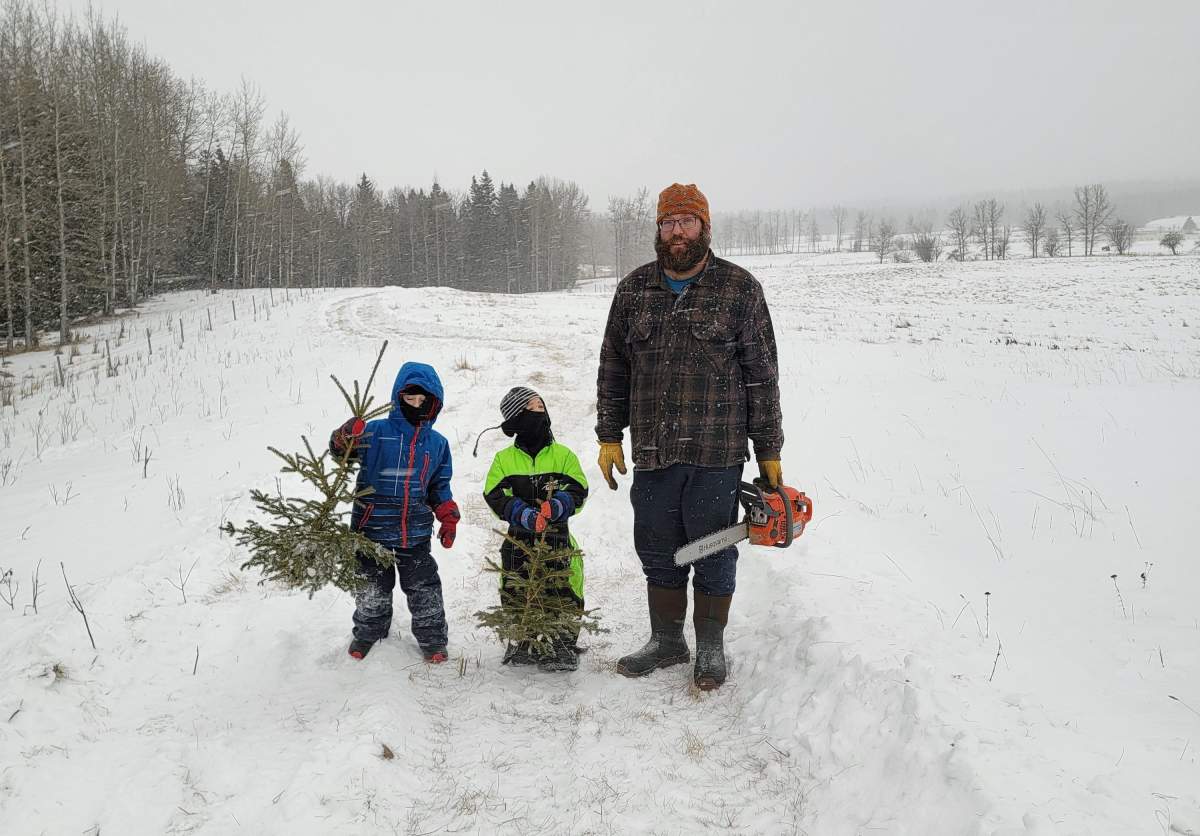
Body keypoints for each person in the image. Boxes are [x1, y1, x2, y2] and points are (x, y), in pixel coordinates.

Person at [595, 182, 784, 690]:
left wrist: (768, 450)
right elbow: (613, 365)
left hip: (716, 450)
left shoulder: (739, 290)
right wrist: (609, 434)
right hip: (654, 448)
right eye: (667, 223)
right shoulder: (634, 291)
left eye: (686, 221)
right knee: (657, 546)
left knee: (713, 546)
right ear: (658, 229)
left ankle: (711, 644)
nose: (676, 231)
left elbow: (761, 374)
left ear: (704, 226)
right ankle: (667, 640)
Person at [330, 362, 460, 663]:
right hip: (371, 528)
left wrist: (447, 513)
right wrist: (345, 434)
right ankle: (368, 631)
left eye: (422, 400)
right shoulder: (375, 432)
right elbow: (340, 453)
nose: (416, 405)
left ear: (433, 403)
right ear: (398, 398)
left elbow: (440, 484)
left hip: (413, 531)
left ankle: (433, 640)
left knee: (424, 588)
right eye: (409, 398)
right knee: (371, 587)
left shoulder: (437, 444)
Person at [481, 386, 589, 672]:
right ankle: (522, 640)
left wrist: (558, 506)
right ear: (517, 419)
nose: (540, 412)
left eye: (542, 407)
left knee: (564, 587)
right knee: (516, 588)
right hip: (519, 539)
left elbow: (578, 488)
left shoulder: (563, 455)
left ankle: (563, 643)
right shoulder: (505, 460)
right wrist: (523, 515)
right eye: (532, 408)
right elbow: (494, 494)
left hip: (557, 538)